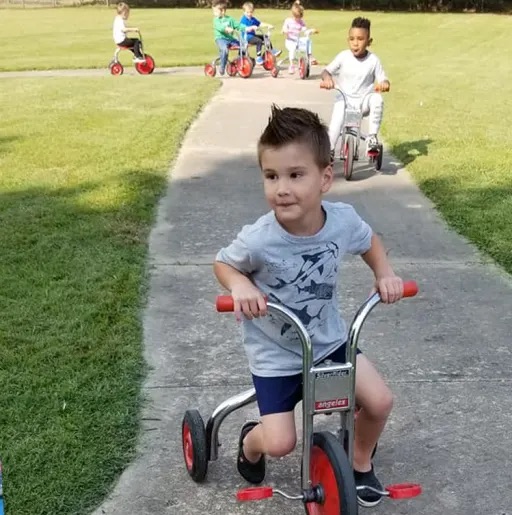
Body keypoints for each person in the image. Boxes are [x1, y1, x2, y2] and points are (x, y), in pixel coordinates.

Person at [214, 105, 405, 508]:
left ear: (326, 179)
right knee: (281, 443)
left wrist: (384, 273)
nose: (281, 188)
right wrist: (239, 284)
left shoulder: (342, 221)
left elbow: (369, 241)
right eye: (271, 176)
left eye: (295, 175)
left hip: (329, 342)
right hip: (276, 355)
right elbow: (224, 263)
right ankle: (251, 440)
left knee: (380, 401)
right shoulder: (259, 239)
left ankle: (359, 460)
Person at [320, 16, 390, 160]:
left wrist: (384, 84)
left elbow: (383, 79)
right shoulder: (343, 57)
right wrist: (327, 79)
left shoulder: (373, 60)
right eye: (352, 39)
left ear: (369, 42)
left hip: (363, 101)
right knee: (336, 120)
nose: (355, 43)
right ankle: (330, 149)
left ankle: (372, 139)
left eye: (360, 39)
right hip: (344, 99)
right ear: (348, 40)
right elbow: (326, 71)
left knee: (377, 98)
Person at [281, 0, 318, 74]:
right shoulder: (288, 21)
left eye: (300, 17)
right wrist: (285, 31)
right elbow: (284, 28)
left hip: (297, 40)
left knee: (308, 41)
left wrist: (310, 31)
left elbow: (304, 29)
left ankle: (310, 57)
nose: (298, 19)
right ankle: (291, 65)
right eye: (297, 17)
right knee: (292, 49)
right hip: (290, 41)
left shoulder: (301, 21)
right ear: (294, 15)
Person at [212, 0, 245, 76]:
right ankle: (222, 67)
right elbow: (219, 27)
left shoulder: (230, 19)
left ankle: (240, 60)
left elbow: (238, 26)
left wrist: (247, 28)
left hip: (230, 39)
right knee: (224, 49)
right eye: (214, 12)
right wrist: (226, 28)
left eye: (216, 12)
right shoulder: (216, 20)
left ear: (223, 11)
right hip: (220, 39)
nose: (214, 14)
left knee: (243, 45)